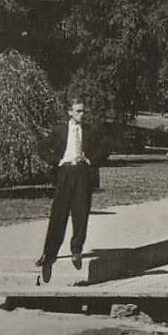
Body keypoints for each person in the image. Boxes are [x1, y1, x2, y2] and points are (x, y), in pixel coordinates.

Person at [35, 97, 103, 283]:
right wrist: (57, 161)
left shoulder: (89, 131)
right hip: (65, 173)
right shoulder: (59, 131)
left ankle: (76, 250)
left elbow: (104, 148)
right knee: (59, 214)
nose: (82, 114)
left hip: (82, 173)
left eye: (83, 111)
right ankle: (49, 256)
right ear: (70, 112)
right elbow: (41, 148)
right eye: (78, 111)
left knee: (81, 214)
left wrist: (91, 160)